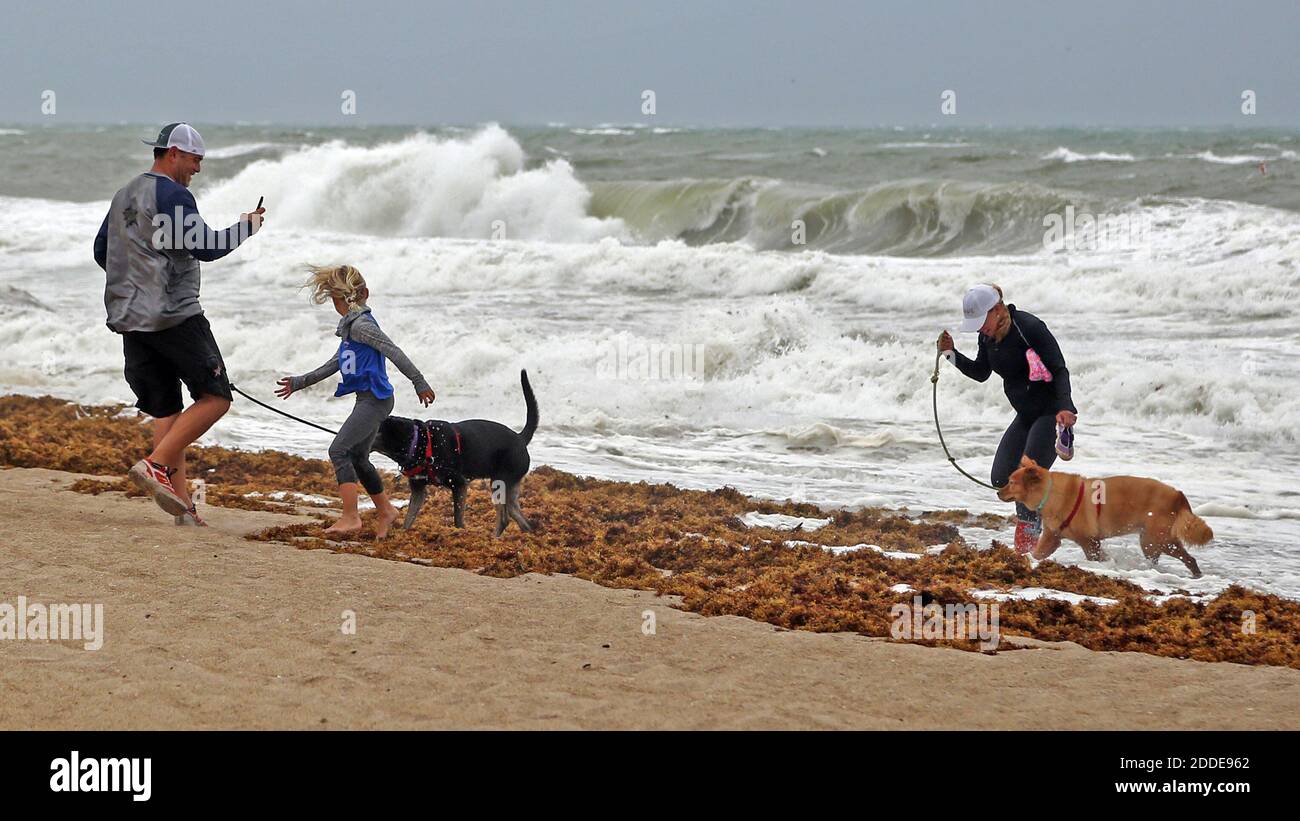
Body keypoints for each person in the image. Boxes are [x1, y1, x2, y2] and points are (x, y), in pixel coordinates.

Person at [94, 122, 266, 525]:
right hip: (173, 314)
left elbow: (102, 250)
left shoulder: (125, 194)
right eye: (194, 160)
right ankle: (154, 466)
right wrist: (247, 227)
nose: (198, 169)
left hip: (130, 318)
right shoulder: (173, 194)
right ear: (173, 153)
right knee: (216, 397)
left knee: (168, 410)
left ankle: (183, 507)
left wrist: (135, 280)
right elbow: (206, 247)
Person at [275, 265, 436, 539]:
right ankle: (386, 510)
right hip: (369, 399)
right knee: (359, 458)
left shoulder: (362, 326)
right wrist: (301, 381)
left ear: (347, 299)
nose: (334, 306)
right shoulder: (351, 328)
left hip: (375, 400)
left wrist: (419, 382)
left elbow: (394, 351)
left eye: (334, 300)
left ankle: (351, 517)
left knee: (339, 451)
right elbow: (337, 362)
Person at [937, 284, 1078, 554]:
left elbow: (1060, 370)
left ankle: (1030, 550)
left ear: (998, 309)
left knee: (1026, 482)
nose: (980, 329)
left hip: (1050, 413)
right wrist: (950, 354)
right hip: (1025, 415)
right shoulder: (987, 338)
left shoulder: (1030, 328)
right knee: (1002, 478)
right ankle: (1043, 529)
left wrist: (1065, 407)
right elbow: (981, 372)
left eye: (982, 322)